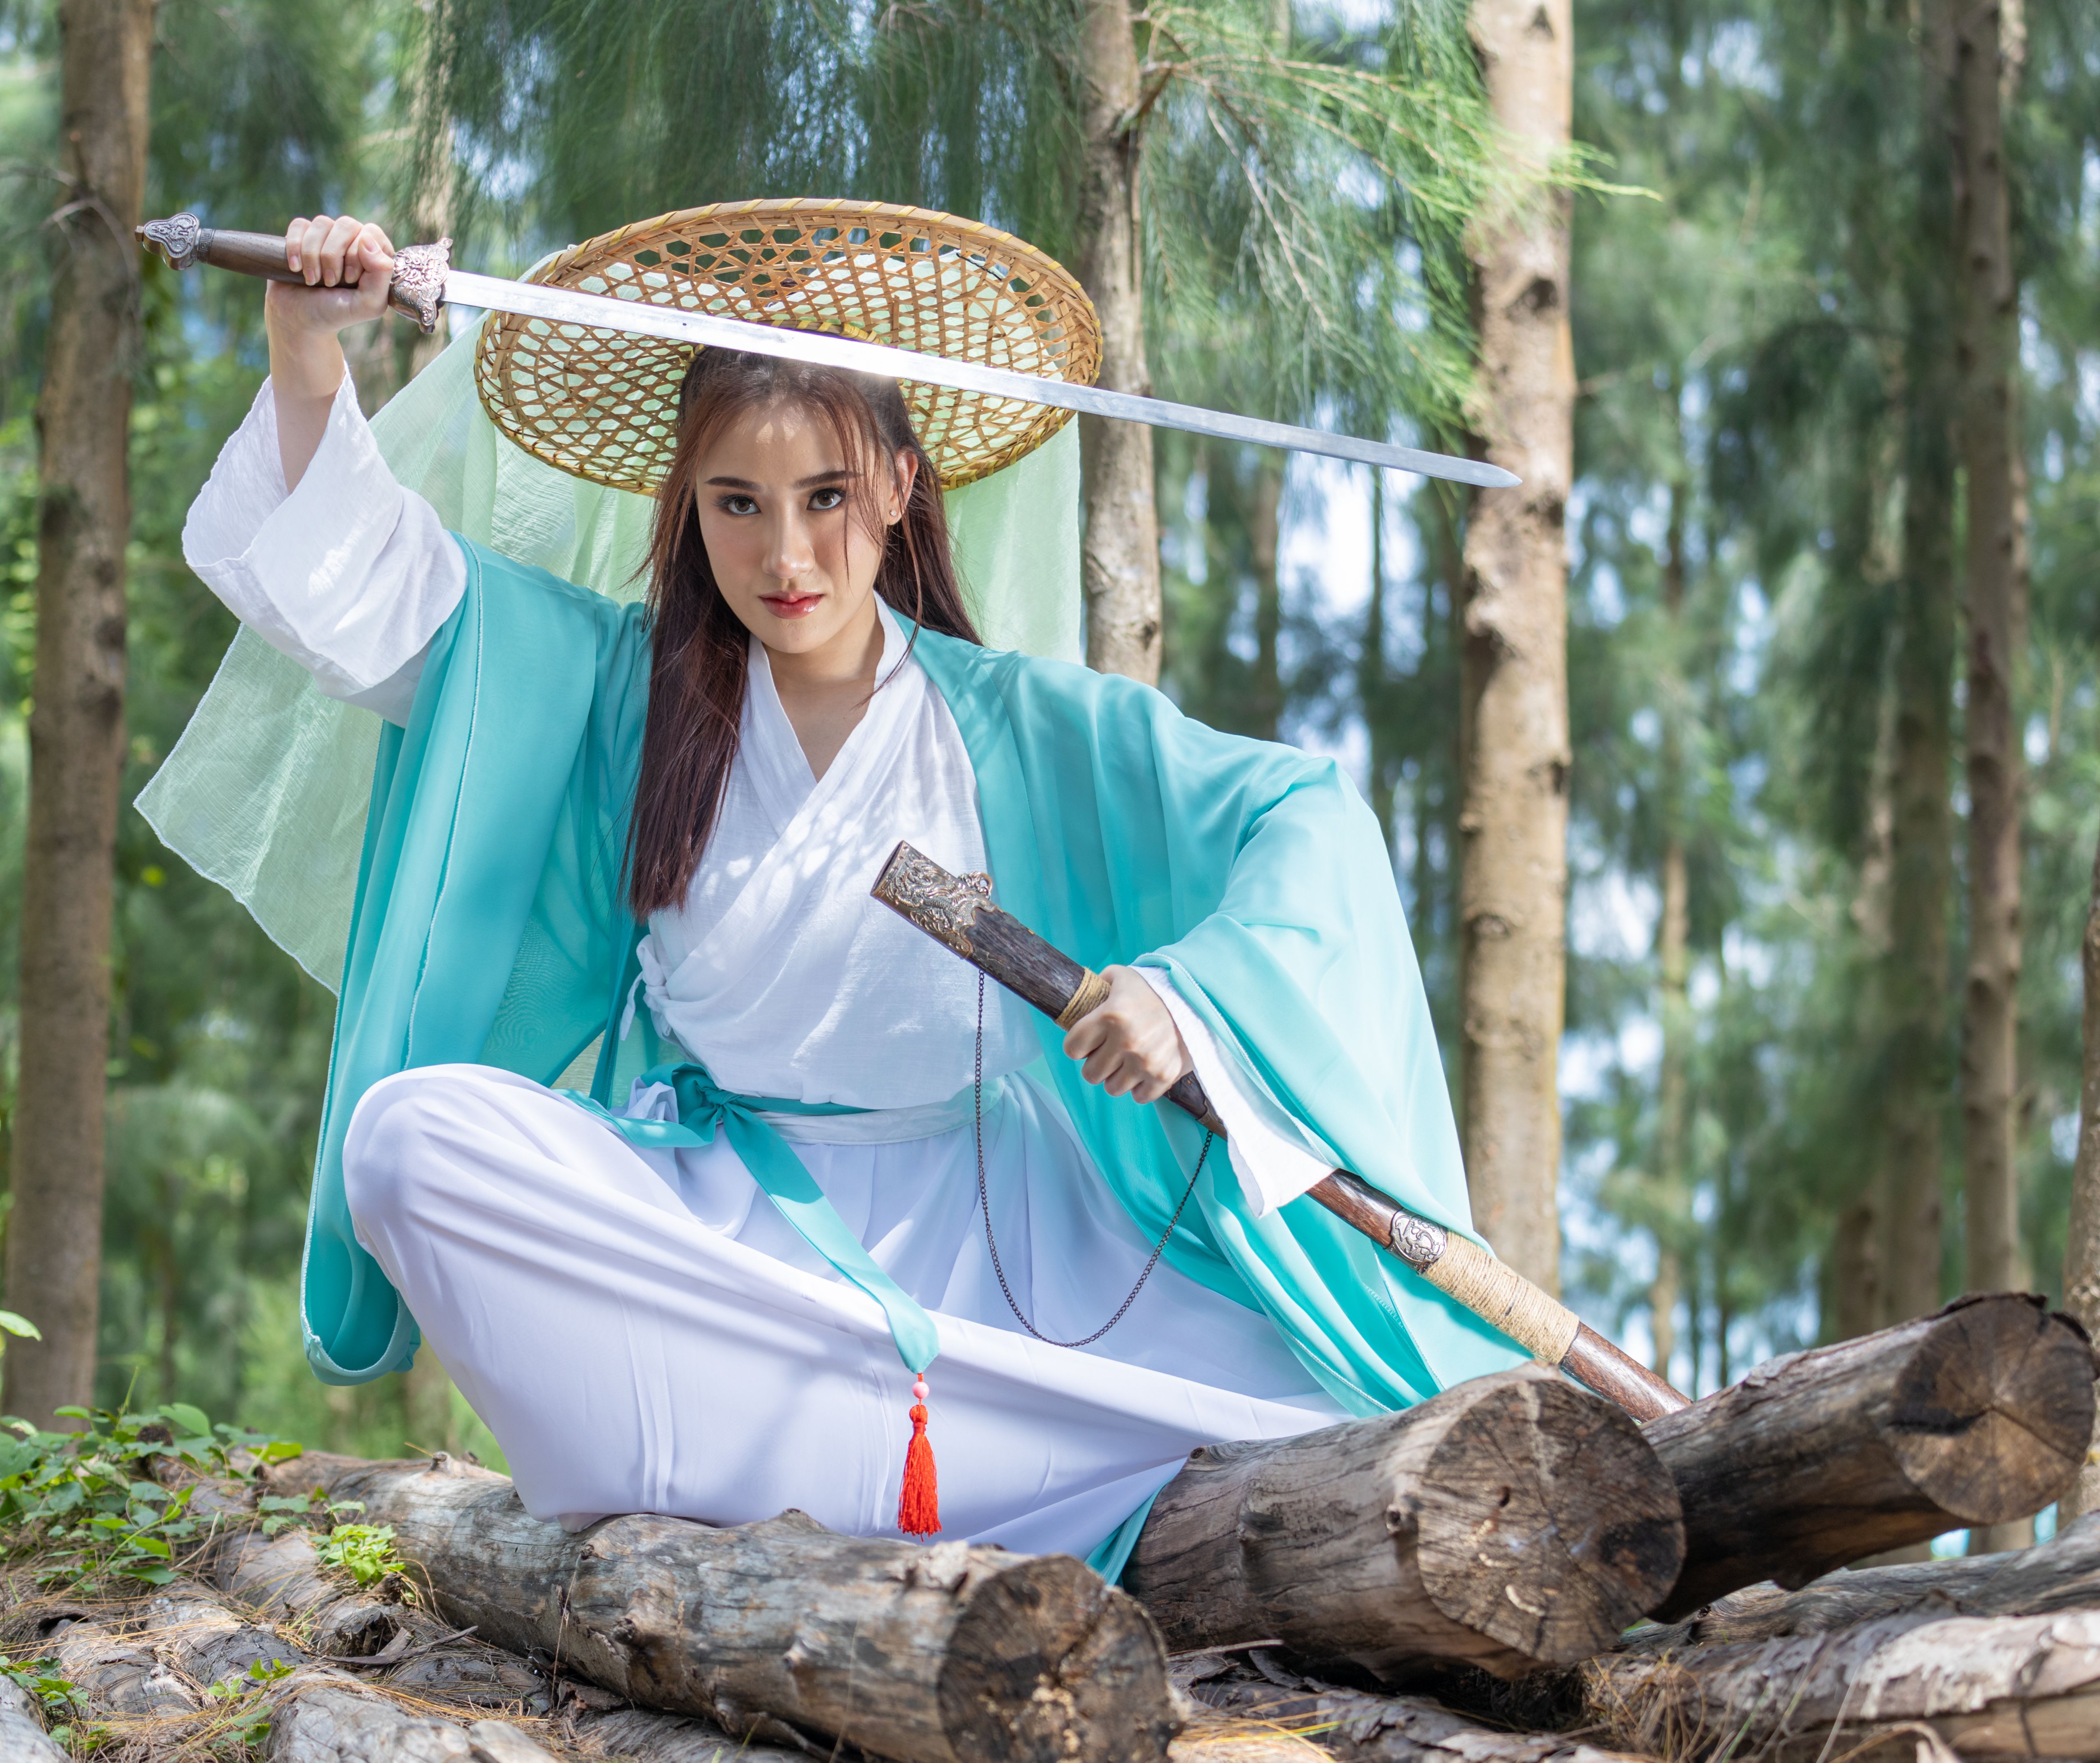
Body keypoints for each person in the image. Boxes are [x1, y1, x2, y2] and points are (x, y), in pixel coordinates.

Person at [165, 201, 1524, 1573]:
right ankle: (849, 1470)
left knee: (1312, 1400)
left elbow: (1306, 815)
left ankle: (828, 1477)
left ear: (898, 484)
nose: (786, 558)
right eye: (737, 506)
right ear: (688, 509)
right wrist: (303, 342)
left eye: (825, 498)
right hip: (724, 1257)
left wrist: (1187, 999)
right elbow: (383, 605)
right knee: (410, 1140)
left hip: (1009, 1271)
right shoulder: (618, 700)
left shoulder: (1021, 726)